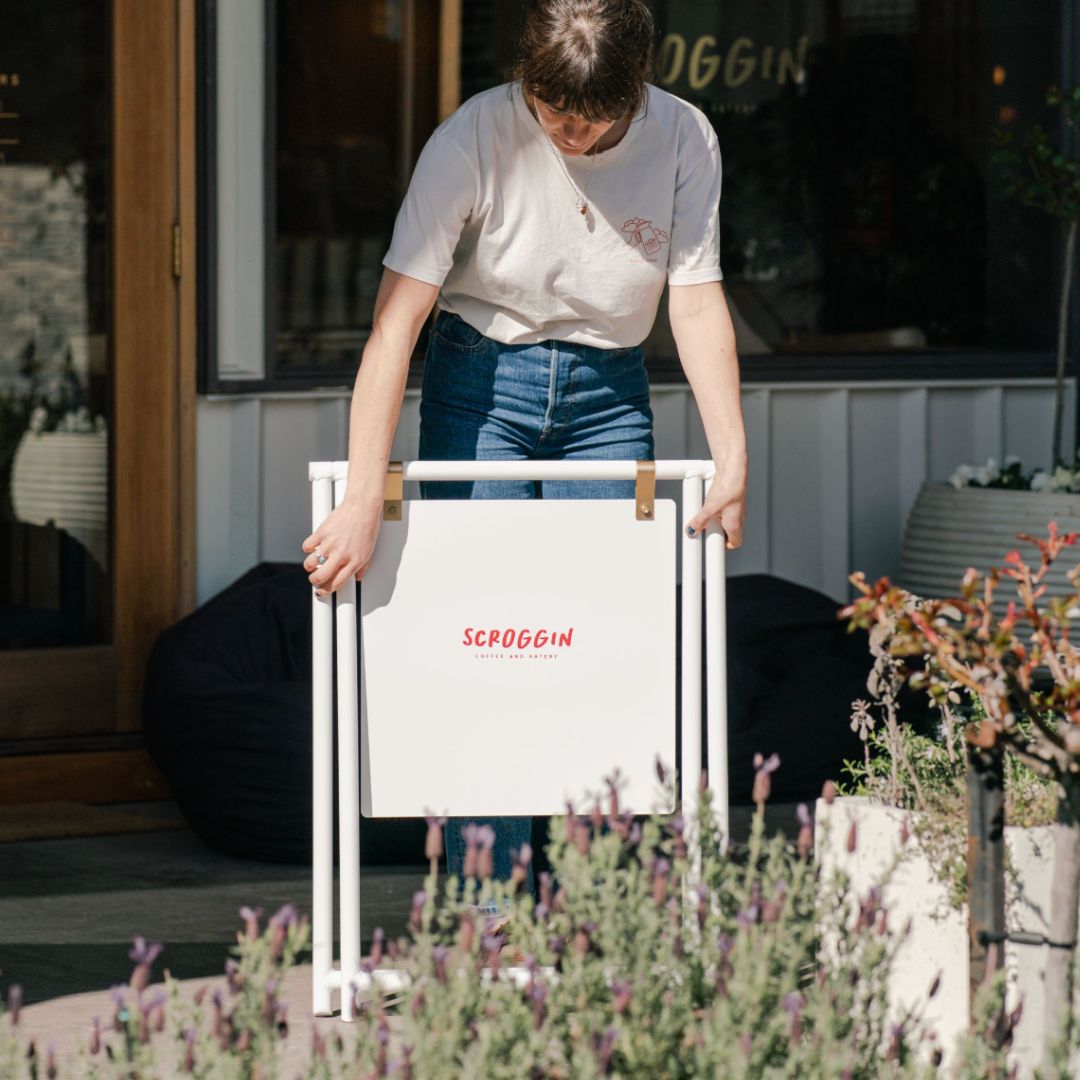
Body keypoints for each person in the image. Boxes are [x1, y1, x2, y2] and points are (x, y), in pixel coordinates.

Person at [301, 0, 747, 902]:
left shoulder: (683, 138)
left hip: (609, 393)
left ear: (636, 91)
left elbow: (696, 301)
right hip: (479, 381)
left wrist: (732, 460)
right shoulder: (473, 137)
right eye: (551, 112)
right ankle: (492, 904)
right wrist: (362, 499)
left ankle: (596, 901)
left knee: (603, 636)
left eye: (590, 121)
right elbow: (395, 327)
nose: (567, 134)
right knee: (485, 637)